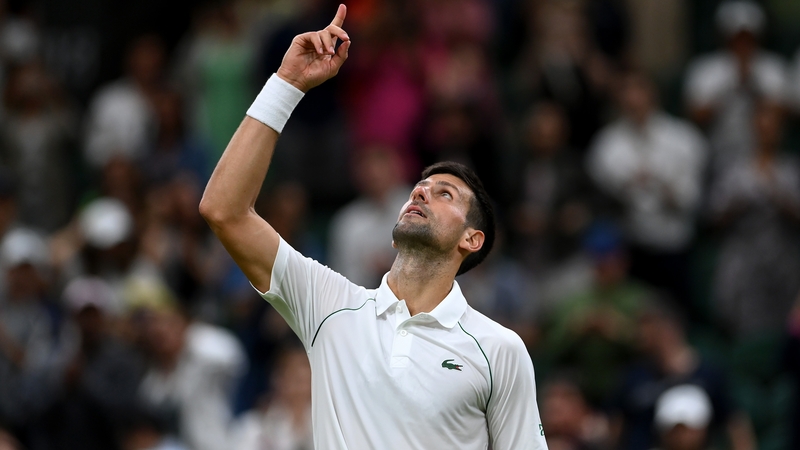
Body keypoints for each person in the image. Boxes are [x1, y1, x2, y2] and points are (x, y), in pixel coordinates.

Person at [199, 5, 548, 449]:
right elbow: (223, 210)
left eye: (445, 194)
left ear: (471, 239)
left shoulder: (499, 349)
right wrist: (286, 84)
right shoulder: (329, 305)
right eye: (419, 188)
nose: (421, 193)